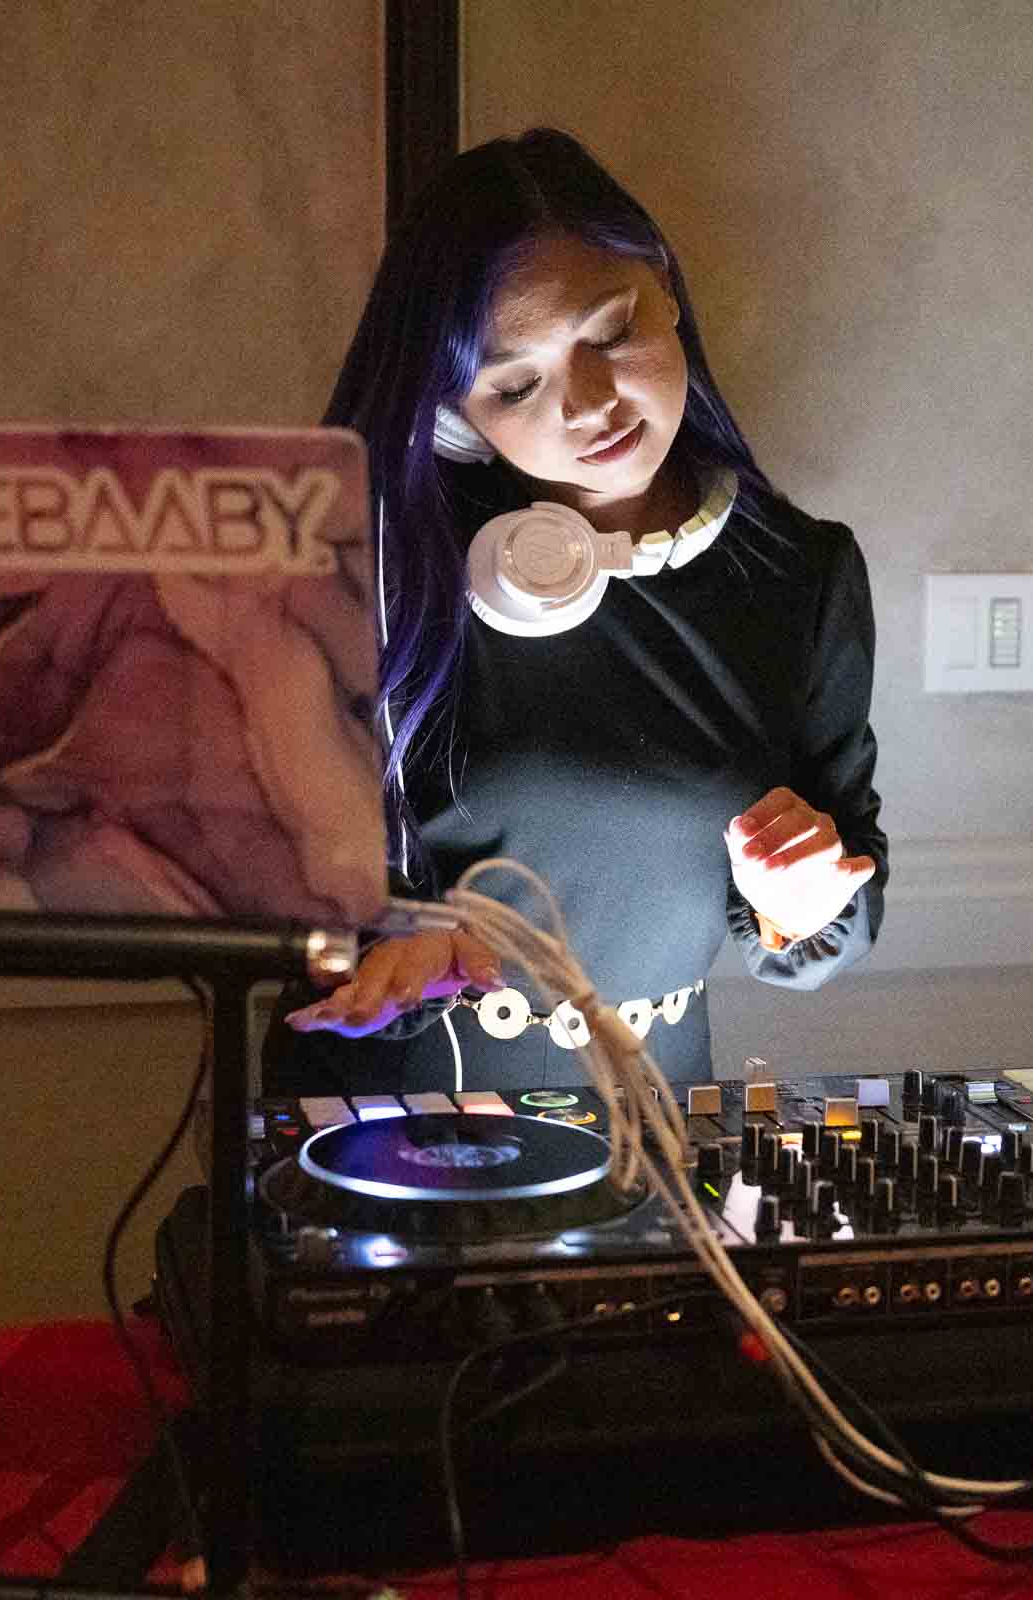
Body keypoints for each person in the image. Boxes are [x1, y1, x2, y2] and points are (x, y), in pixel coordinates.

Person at [272, 128, 884, 1095]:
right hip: (394, 1118)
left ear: (666, 287)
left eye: (609, 333)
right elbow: (270, 881)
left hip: (660, 1114)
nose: (590, 403)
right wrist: (384, 942)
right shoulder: (375, 567)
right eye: (516, 384)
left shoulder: (802, 576)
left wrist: (797, 901)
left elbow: (837, 912)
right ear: (454, 414)